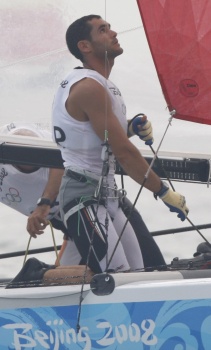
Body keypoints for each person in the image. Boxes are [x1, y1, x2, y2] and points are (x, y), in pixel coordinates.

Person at [51, 15, 189, 275]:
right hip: (83, 196)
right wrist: (163, 192)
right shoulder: (89, 87)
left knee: (138, 273)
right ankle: (44, 278)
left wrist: (129, 126)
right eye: (103, 30)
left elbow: (93, 133)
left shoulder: (99, 85)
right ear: (85, 46)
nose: (114, 33)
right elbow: (123, 152)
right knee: (118, 275)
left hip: (108, 195)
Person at [0, 122, 165, 272]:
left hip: (104, 208)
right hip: (74, 227)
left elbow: (63, 159)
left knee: (153, 269)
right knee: (63, 282)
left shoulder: (34, 141)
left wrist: (44, 203)